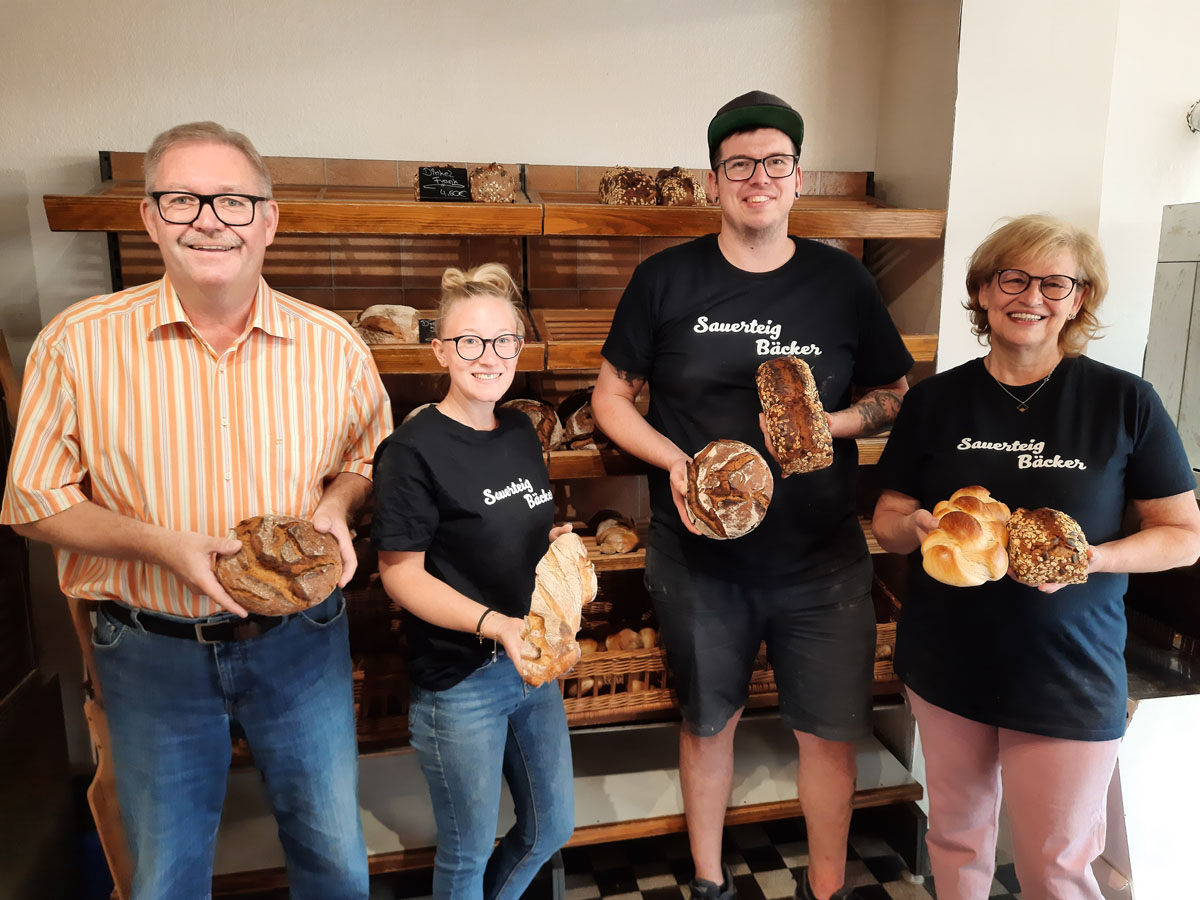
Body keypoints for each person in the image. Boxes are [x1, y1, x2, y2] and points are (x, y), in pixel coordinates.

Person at [1, 122, 392, 899]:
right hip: (150, 651)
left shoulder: (334, 346)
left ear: (269, 220)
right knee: (165, 877)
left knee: (335, 862)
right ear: (150, 217)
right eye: (183, 198)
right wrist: (160, 546)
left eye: (235, 200)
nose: (209, 218)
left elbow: (365, 456)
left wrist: (338, 505)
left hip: (299, 645)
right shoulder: (75, 345)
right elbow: (32, 503)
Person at [592, 90, 913, 900]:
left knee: (829, 734)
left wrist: (827, 428)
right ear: (713, 182)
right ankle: (709, 881)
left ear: (798, 179)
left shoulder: (841, 282)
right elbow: (609, 398)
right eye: (740, 164)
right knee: (707, 724)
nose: (758, 177)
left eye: (775, 162)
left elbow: (894, 389)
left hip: (821, 557)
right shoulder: (666, 278)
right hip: (699, 557)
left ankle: (827, 887)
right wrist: (676, 465)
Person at [871, 214, 1200, 900]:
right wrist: (919, 529)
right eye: (1012, 278)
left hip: (1067, 670)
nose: (1032, 296)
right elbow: (889, 518)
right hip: (946, 660)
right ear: (985, 292)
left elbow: (1183, 534)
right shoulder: (934, 400)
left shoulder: (1124, 401)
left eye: (1056, 282)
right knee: (956, 841)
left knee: (1054, 867)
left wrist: (1094, 560)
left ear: (1079, 299)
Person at [373, 263, 575, 900]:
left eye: (503, 341)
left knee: (551, 827)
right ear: (441, 350)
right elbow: (400, 575)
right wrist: (496, 625)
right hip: (461, 682)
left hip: (531, 665)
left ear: (519, 347)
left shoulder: (518, 430)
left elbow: (510, 525)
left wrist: (556, 550)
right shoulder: (411, 449)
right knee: (465, 854)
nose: (488, 357)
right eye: (470, 342)